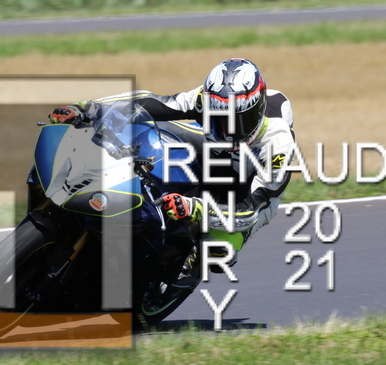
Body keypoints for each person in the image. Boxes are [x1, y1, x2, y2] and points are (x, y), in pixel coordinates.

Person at [48, 58, 296, 277]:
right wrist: (87, 109)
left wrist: (195, 208)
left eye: (238, 120)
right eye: (218, 118)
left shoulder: (278, 144)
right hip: (215, 152)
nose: (227, 130)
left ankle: (173, 278)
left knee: (218, 250)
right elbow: (154, 103)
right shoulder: (206, 99)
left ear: (258, 111)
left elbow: (249, 211)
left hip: (251, 187)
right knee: (153, 132)